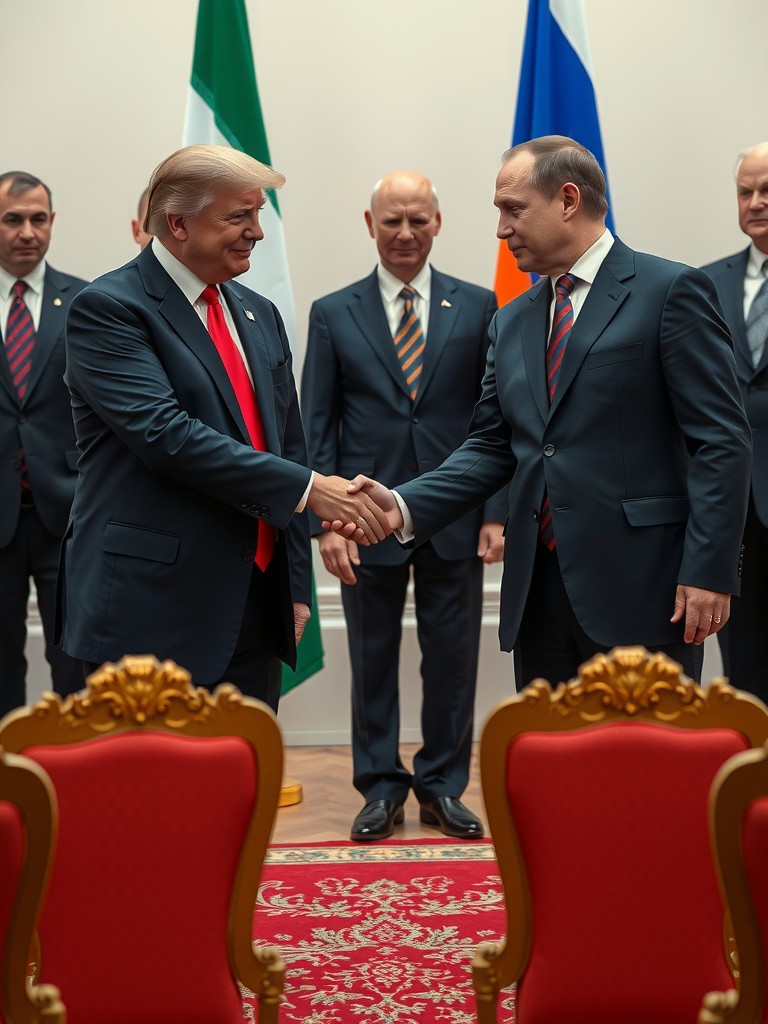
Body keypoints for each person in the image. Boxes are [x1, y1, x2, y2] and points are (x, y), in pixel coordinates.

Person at [336, 136, 752, 692]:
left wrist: (708, 572)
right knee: (548, 771)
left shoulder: (670, 291)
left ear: (568, 200)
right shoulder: (512, 320)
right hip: (538, 592)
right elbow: (489, 446)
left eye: (513, 209)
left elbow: (721, 442)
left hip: (646, 588)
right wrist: (403, 504)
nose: (501, 230)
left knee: (643, 774)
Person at [59, 144, 388, 712]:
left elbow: (286, 443)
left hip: (255, 605)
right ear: (178, 224)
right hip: (153, 609)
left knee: (244, 788)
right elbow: (167, 435)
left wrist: (294, 586)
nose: (258, 232)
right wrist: (314, 490)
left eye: (258, 214)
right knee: (154, 794)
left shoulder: (258, 313)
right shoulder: (109, 309)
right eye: (240, 216)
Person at [302, 170, 505, 842]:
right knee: (372, 656)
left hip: (453, 516)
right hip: (361, 519)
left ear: (439, 224)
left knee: (452, 662)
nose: (406, 233)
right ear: (369, 224)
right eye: (392, 220)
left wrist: (495, 512)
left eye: (419, 219)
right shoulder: (333, 313)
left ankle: (442, 787)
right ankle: (380, 788)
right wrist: (325, 523)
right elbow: (317, 425)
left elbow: (498, 422)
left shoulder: (480, 308)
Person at [0, 171, 87, 714]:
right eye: (12, 219)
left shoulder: (85, 302)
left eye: (37, 218)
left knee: (74, 661)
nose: (27, 231)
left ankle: (77, 785)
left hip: (69, 515)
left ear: (52, 223)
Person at [702, 142, 768, 701]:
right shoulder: (703, 284)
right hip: (732, 505)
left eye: (767, 190)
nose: (755, 202)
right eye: (745, 191)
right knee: (742, 660)